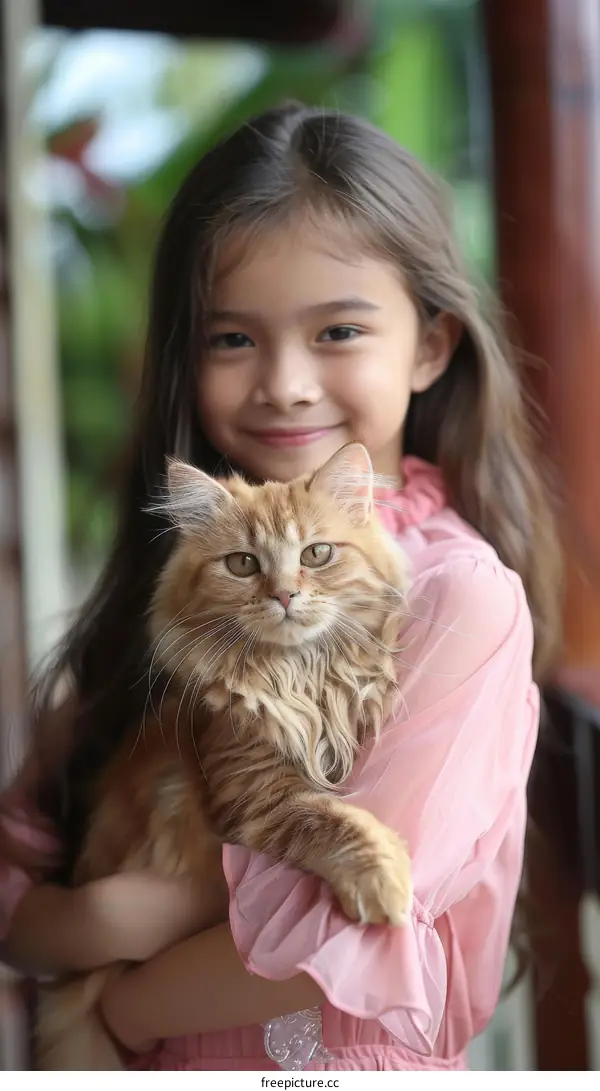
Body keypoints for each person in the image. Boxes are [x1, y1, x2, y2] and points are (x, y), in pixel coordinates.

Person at [0, 103, 562, 1072]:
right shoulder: (195, 574)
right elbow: (24, 865)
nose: (286, 384)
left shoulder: (454, 596)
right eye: (232, 340)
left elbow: (364, 914)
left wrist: (130, 1005)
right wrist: (81, 917)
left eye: (338, 329)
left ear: (430, 345)